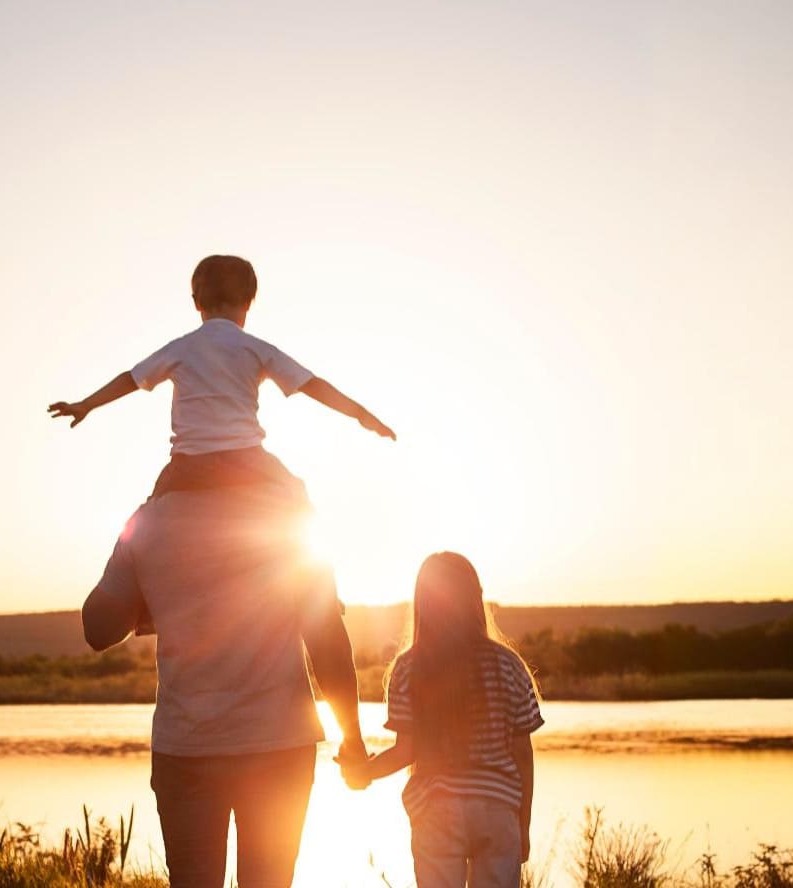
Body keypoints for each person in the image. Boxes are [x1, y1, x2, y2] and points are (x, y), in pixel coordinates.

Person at [80, 481, 367, 888]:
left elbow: (98, 628)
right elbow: (327, 641)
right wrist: (352, 737)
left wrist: (158, 583)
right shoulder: (286, 514)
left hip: (187, 748)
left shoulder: (151, 522)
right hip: (279, 746)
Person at [47, 253, 395, 500]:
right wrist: (362, 414)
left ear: (196, 301)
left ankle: (128, 597)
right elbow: (312, 385)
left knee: (143, 522)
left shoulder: (180, 348)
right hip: (246, 460)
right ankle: (323, 596)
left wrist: (86, 404)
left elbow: (131, 379)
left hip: (187, 465)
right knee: (297, 498)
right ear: (249, 301)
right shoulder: (257, 348)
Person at [340, 552, 544, 888]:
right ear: (475, 598)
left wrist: (364, 772)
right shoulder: (509, 665)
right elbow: (523, 754)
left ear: (422, 602)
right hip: (497, 808)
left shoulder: (410, 668)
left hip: (437, 809)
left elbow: (406, 752)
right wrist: (523, 825)